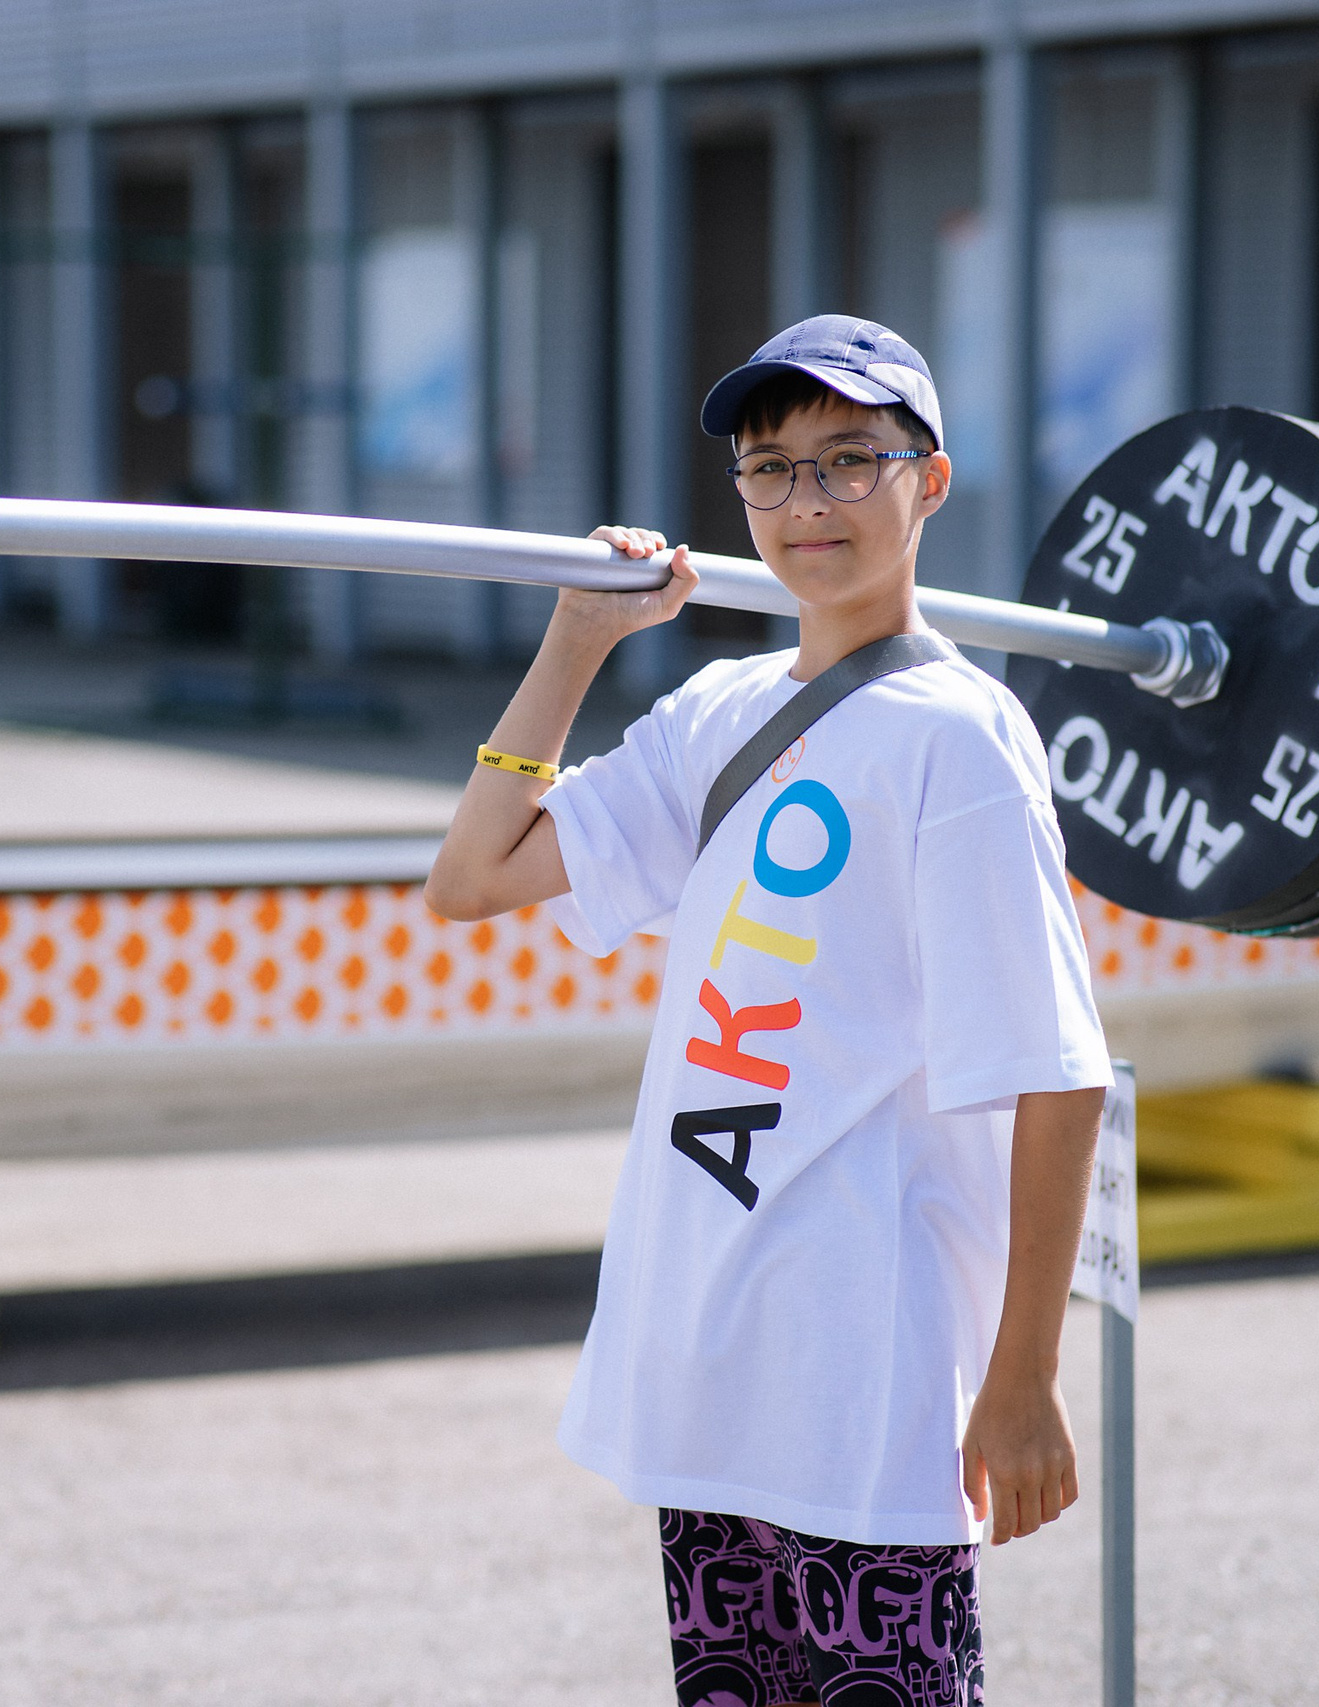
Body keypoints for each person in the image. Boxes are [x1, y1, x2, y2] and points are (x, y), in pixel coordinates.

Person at [425, 316, 1111, 1707]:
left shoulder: (962, 740)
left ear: (930, 482)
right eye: (773, 468)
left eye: (851, 462)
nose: (809, 504)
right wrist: (576, 641)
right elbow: (472, 875)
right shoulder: (717, 710)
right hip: (712, 1366)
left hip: (868, 1382)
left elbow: (1058, 1074)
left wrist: (1026, 1376)